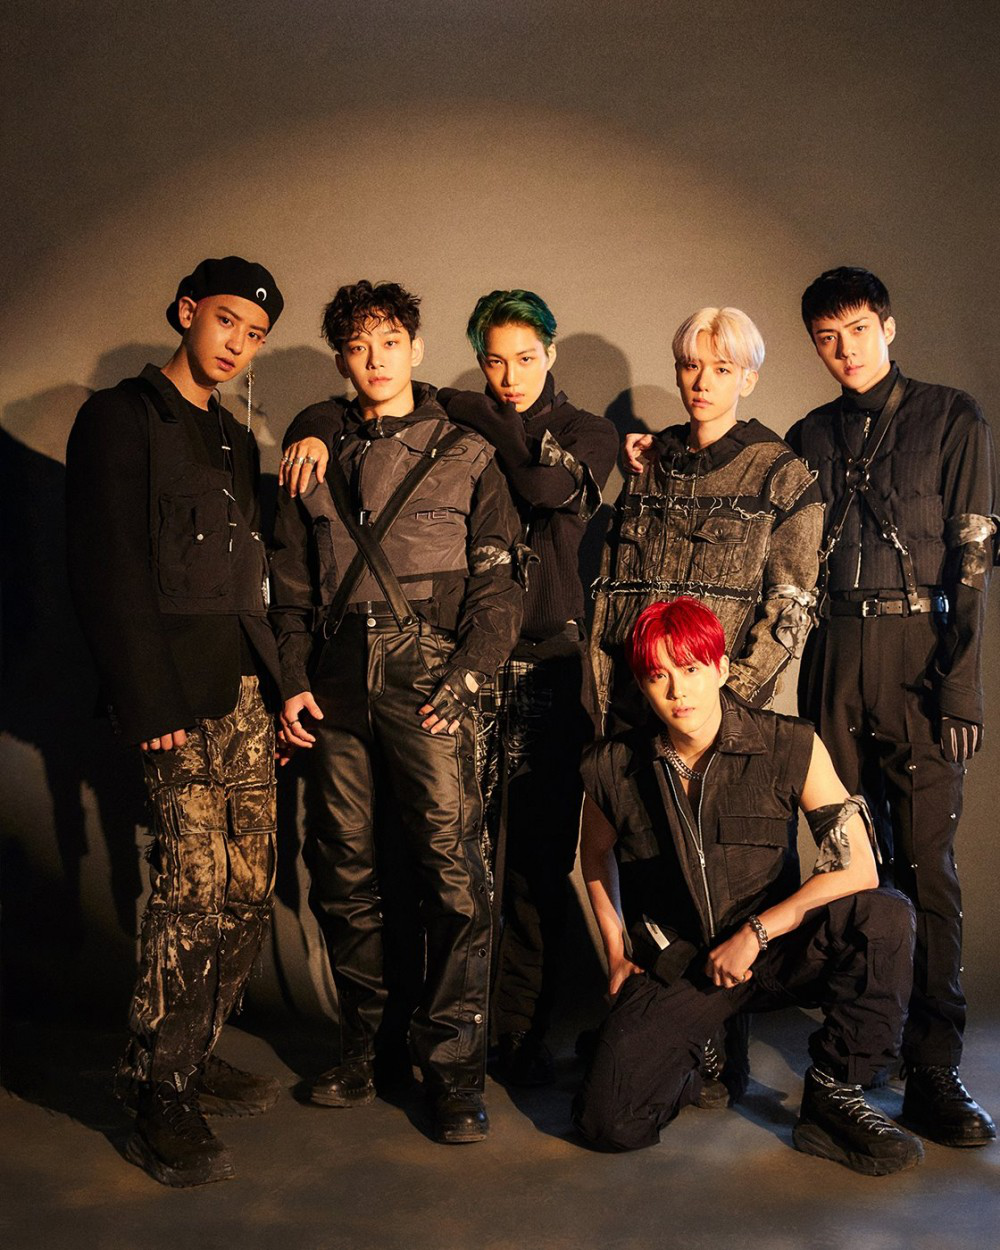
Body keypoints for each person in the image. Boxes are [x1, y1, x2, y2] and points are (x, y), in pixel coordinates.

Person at [280, 289, 620, 1085]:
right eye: (494, 362)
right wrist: (313, 424)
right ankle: (384, 1045)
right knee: (370, 864)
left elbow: (538, 503)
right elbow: (292, 582)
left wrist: (467, 670)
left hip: (523, 661)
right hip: (380, 667)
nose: (509, 376)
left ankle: (498, 1047)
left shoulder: (544, 435)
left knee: (507, 866)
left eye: (525, 358)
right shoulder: (344, 443)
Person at [270, 280, 523, 1144]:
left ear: (415, 348)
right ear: (343, 360)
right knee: (342, 870)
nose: (375, 360)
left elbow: (499, 585)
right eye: (357, 347)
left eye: (389, 342)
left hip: (430, 671)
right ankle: (365, 1051)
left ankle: (453, 1072)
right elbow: (289, 590)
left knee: (453, 875)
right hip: (336, 676)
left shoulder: (469, 450)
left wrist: (469, 673)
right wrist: (293, 679)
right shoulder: (313, 455)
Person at [65, 256, 286, 1187]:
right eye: (226, 320)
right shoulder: (121, 418)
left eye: (255, 334)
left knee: (251, 886)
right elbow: (105, 564)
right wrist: (146, 700)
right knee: (193, 891)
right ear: (188, 312)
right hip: (173, 700)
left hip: (241, 691)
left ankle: (191, 1047)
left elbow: (244, 579)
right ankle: (157, 1089)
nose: (238, 344)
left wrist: (281, 686)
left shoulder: (233, 435)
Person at [575, 598, 922, 1176]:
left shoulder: (789, 743)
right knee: (607, 1122)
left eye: (690, 668)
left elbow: (858, 866)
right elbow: (594, 854)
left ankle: (834, 1094)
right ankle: (700, 1054)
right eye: (658, 675)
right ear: (642, 684)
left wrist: (758, 932)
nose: (677, 690)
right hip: (684, 965)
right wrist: (615, 950)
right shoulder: (611, 766)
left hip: (776, 949)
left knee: (883, 915)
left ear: (720, 668)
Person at [786, 265, 998, 1148]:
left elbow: (973, 564)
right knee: (848, 860)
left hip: (920, 654)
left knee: (926, 866)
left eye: (859, 330)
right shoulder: (806, 435)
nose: (845, 350)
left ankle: (934, 1065)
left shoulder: (953, 418)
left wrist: (960, 682)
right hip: (833, 655)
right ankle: (859, 1051)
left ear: (889, 326)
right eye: (827, 338)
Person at [593, 306, 822, 732]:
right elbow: (613, 589)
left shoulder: (779, 474)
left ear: (747, 380)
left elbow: (791, 607)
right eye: (691, 366)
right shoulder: (650, 464)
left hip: (716, 713)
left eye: (722, 369)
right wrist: (601, 689)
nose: (702, 383)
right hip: (631, 703)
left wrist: (733, 699)